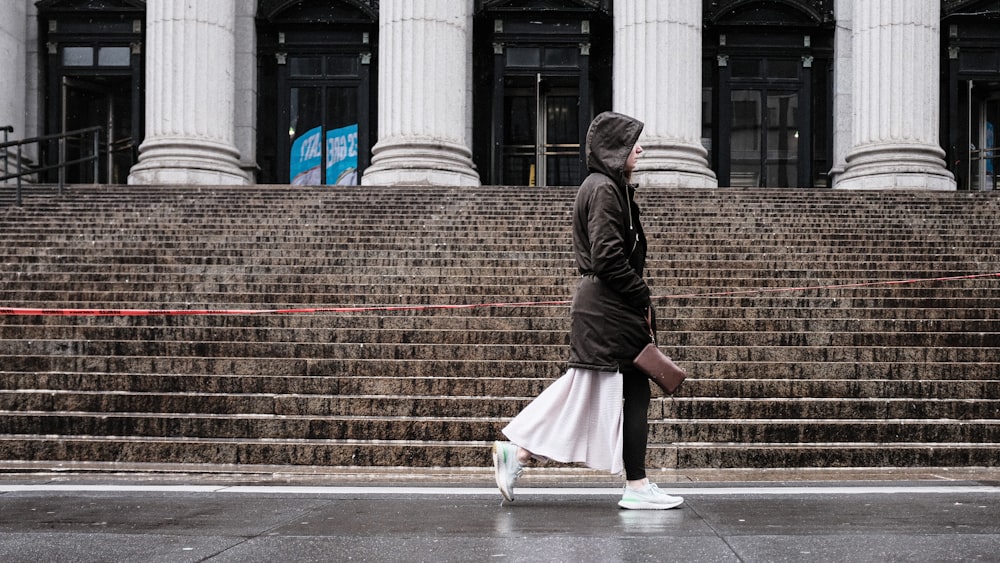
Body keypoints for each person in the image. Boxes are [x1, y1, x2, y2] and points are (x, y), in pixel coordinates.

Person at [492, 111, 683, 510]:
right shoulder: (604, 190)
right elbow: (609, 257)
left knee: (600, 388)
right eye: (634, 144)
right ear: (617, 150)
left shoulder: (605, 187)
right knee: (628, 390)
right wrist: (642, 295)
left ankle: (524, 453)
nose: (641, 150)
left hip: (606, 304)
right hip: (609, 305)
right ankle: (635, 485)